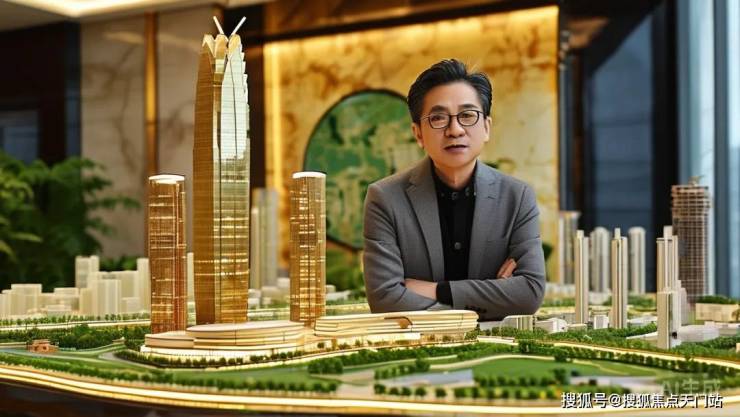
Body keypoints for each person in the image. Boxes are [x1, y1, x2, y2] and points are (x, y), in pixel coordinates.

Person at [362, 59, 545, 320]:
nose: (455, 130)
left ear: (486, 128)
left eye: (467, 115)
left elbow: (528, 294)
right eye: (438, 118)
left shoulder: (517, 198)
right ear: (418, 134)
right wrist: (492, 298)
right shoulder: (385, 198)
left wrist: (436, 290)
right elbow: (385, 299)